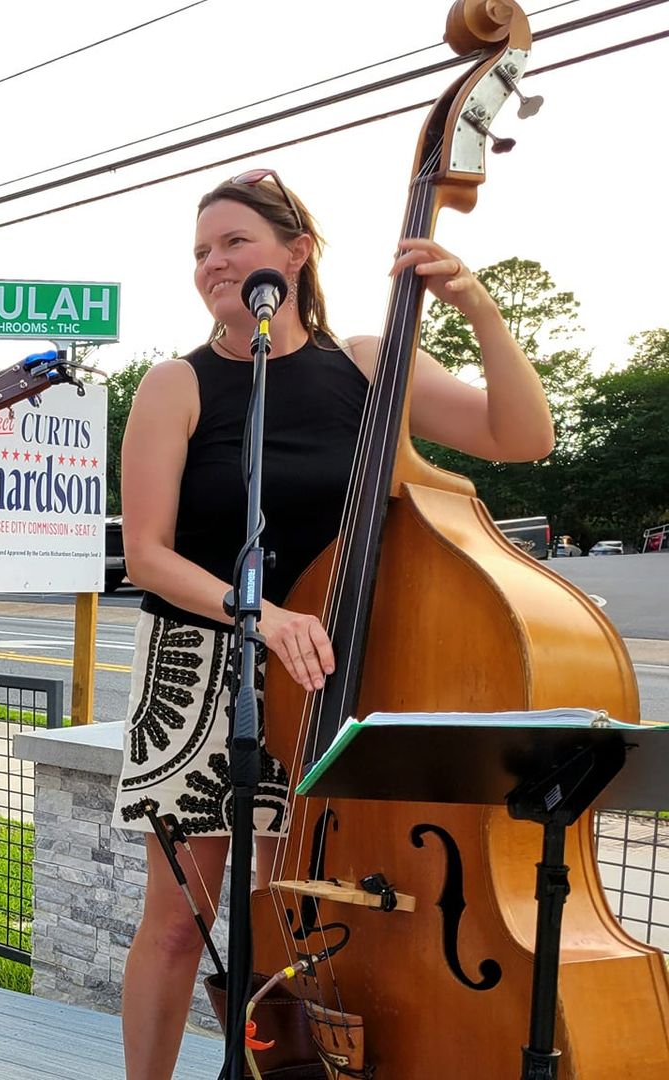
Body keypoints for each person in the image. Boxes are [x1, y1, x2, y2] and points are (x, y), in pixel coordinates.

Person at [113, 168, 556, 1079]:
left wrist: (476, 308)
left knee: (290, 926)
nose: (213, 263)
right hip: (201, 671)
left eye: (234, 242)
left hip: (330, 672)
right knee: (179, 923)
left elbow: (524, 436)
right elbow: (149, 555)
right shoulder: (176, 383)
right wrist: (263, 616)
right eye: (201, 251)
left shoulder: (365, 363)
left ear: (297, 253)